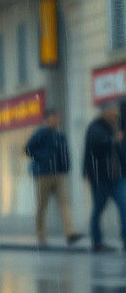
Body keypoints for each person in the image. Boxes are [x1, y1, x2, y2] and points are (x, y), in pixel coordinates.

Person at [24, 109, 81, 248]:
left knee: (64, 203)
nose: (56, 120)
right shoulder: (40, 133)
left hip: (58, 174)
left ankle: (70, 233)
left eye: (57, 117)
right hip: (43, 174)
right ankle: (41, 235)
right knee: (42, 205)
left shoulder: (60, 135)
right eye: (54, 117)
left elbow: (64, 152)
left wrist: (65, 167)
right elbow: (28, 149)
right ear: (47, 119)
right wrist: (44, 158)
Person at [82, 101, 126, 252]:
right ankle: (97, 241)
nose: (116, 114)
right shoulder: (95, 127)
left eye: (117, 112)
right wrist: (114, 140)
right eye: (114, 112)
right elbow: (95, 147)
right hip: (101, 178)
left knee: (124, 206)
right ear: (106, 113)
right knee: (98, 209)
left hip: (118, 176)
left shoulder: (116, 127)